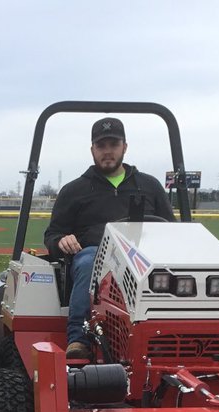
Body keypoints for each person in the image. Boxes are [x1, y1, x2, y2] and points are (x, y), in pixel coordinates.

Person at [44, 117, 175, 359]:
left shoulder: (149, 186)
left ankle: (169, 336)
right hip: (95, 254)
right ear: (92, 150)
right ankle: (79, 338)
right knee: (89, 262)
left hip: (145, 257)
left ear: (124, 147)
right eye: (101, 145)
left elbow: (173, 231)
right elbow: (53, 235)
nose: (107, 151)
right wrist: (61, 240)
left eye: (113, 145)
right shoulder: (74, 191)